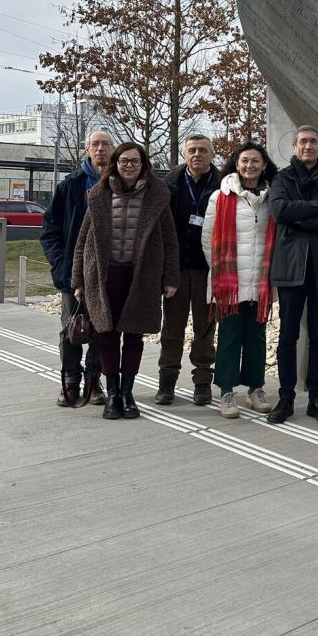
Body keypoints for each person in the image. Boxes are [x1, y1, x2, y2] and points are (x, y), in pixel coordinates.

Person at [72, 142, 179, 420]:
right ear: (115, 165)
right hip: (105, 275)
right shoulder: (98, 195)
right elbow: (82, 241)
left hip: (141, 275)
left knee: (134, 335)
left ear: (144, 164)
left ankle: (128, 393)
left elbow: (170, 240)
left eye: (134, 161)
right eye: (123, 161)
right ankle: (113, 393)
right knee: (106, 335)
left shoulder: (158, 196)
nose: (129, 166)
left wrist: (170, 278)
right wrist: (78, 281)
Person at [267, 125, 318, 425]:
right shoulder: (282, 178)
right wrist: (317, 208)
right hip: (291, 266)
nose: (309, 146)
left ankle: (317, 398)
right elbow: (279, 212)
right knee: (288, 335)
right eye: (303, 141)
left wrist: (300, 219)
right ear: (294, 147)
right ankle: (286, 396)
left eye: (314, 141)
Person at [201, 142, 278, 418]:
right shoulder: (220, 197)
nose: (250, 166)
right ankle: (226, 392)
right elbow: (208, 240)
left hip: (261, 280)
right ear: (236, 164)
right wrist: (221, 274)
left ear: (264, 164)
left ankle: (255, 389)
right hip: (229, 283)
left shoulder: (274, 196)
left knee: (257, 337)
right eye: (244, 161)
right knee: (230, 337)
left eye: (255, 161)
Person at [41, 129, 115, 408]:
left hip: (109, 270)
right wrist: (62, 266)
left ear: (113, 149)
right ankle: (70, 381)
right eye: (95, 144)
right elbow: (49, 231)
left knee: (102, 328)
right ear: (87, 150)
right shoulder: (70, 186)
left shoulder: (121, 183)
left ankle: (94, 383)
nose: (100, 149)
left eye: (106, 144)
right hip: (74, 272)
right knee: (71, 328)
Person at [156, 135, 221, 406]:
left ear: (212, 154)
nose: (197, 154)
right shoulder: (168, 184)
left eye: (203, 150)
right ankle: (167, 381)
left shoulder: (224, 184)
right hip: (177, 268)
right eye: (192, 150)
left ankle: (202, 382)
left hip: (209, 269)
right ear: (185, 154)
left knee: (205, 329)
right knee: (172, 328)